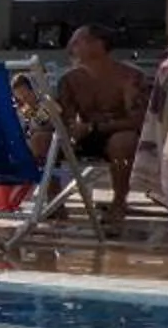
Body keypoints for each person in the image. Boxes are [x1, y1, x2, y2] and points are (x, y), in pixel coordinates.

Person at [55, 24, 150, 231]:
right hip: (85, 137)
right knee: (41, 140)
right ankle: (53, 203)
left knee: (123, 142)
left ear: (98, 45)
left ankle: (119, 202)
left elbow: (138, 120)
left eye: (77, 42)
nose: (71, 47)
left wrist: (93, 127)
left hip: (118, 135)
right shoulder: (69, 80)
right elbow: (63, 118)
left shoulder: (129, 77)